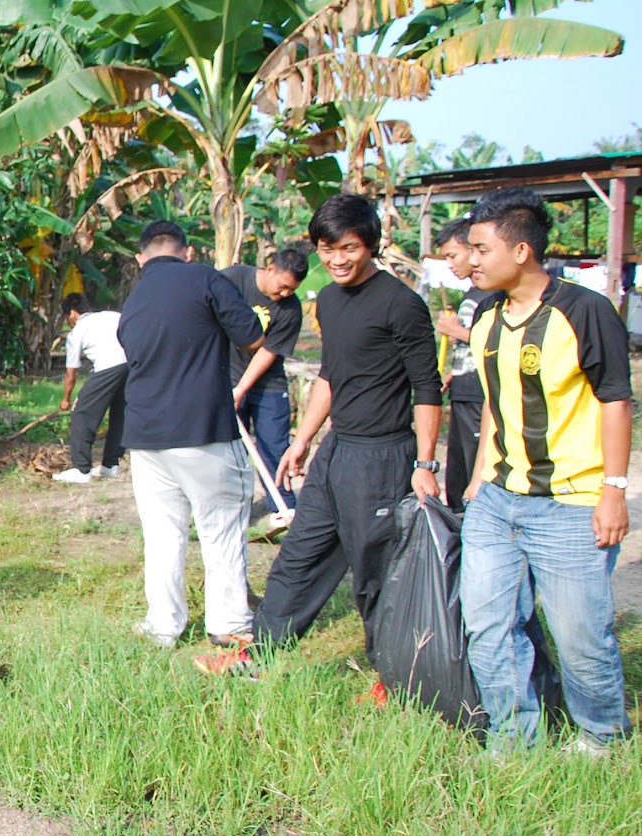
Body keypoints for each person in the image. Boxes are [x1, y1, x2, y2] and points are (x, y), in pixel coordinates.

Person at [197, 194, 442, 678]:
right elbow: (331, 374)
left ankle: (396, 678)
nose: (336, 260)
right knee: (299, 554)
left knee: (376, 572)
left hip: (383, 455)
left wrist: (426, 465)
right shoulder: (327, 300)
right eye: (326, 249)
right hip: (337, 450)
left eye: (347, 248)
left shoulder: (402, 304)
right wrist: (303, 439)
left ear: (370, 245)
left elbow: (427, 387)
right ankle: (257, 658)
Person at [460, 186, 632, 754]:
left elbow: (615, 400)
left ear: (521, 251)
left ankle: (602, 737)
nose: (472, 259)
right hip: (497, 501)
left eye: (481, 248)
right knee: (488, 626)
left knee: (580, 636)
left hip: (572, 503)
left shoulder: (584, 310)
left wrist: (614, 490)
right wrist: (481, 475)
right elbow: (495, 400)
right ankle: (513, 741)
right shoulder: (486, 316)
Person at [119, 221, 264, 647]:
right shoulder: (204, 276)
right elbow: (252, 337)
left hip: (146, 436)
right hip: (203, 432)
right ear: (187, 251)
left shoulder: (133, 300)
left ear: (140, 259)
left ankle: (163, 625)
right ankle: (230, 625)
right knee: (221, 528)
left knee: (163, 535)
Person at [222, 247, 309, 510]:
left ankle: (283, 508)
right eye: (282, 286)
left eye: (291, 290)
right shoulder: (232, 280)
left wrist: (241, 390)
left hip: (268, 385)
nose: (285, 294)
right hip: (225, 376)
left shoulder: (291, 309)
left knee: (274, 447)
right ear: (270, 269)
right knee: (229, 451)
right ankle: (233, 508)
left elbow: (269, 352)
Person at [433, 217, 494, 511]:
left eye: (452, 255)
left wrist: (456, 331)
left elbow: (497, 343)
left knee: (474, 467)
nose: (450, 264)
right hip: (464, 389)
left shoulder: (493, 295)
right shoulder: (473, 294)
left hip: (480, 395)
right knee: (456, 467)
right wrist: (454, 375)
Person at [52, 292, 128, 484]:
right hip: (131, 365)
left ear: (72, 313)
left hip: (108, 368)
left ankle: (81, 468)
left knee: (82, 414)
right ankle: (111, 465)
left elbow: (71, 374)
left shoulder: (76, 333)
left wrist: (66, 400)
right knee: (119, 415)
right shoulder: (112, 316)